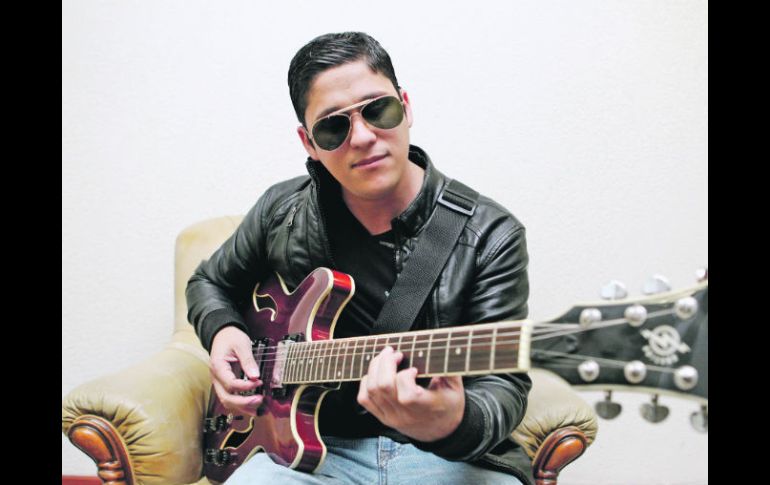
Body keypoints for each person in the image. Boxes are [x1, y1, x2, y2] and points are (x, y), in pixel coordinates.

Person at [186, 31, 532, 484]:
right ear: (309, 142)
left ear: (405, 106)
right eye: (334, 127)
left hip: (446, 458)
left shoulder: (490, 234)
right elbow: (208, 282)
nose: (364, 137)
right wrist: (223, 331)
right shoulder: (281, 211)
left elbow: (504, 386)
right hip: (310, 453)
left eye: (378, 110)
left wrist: (452, 422)